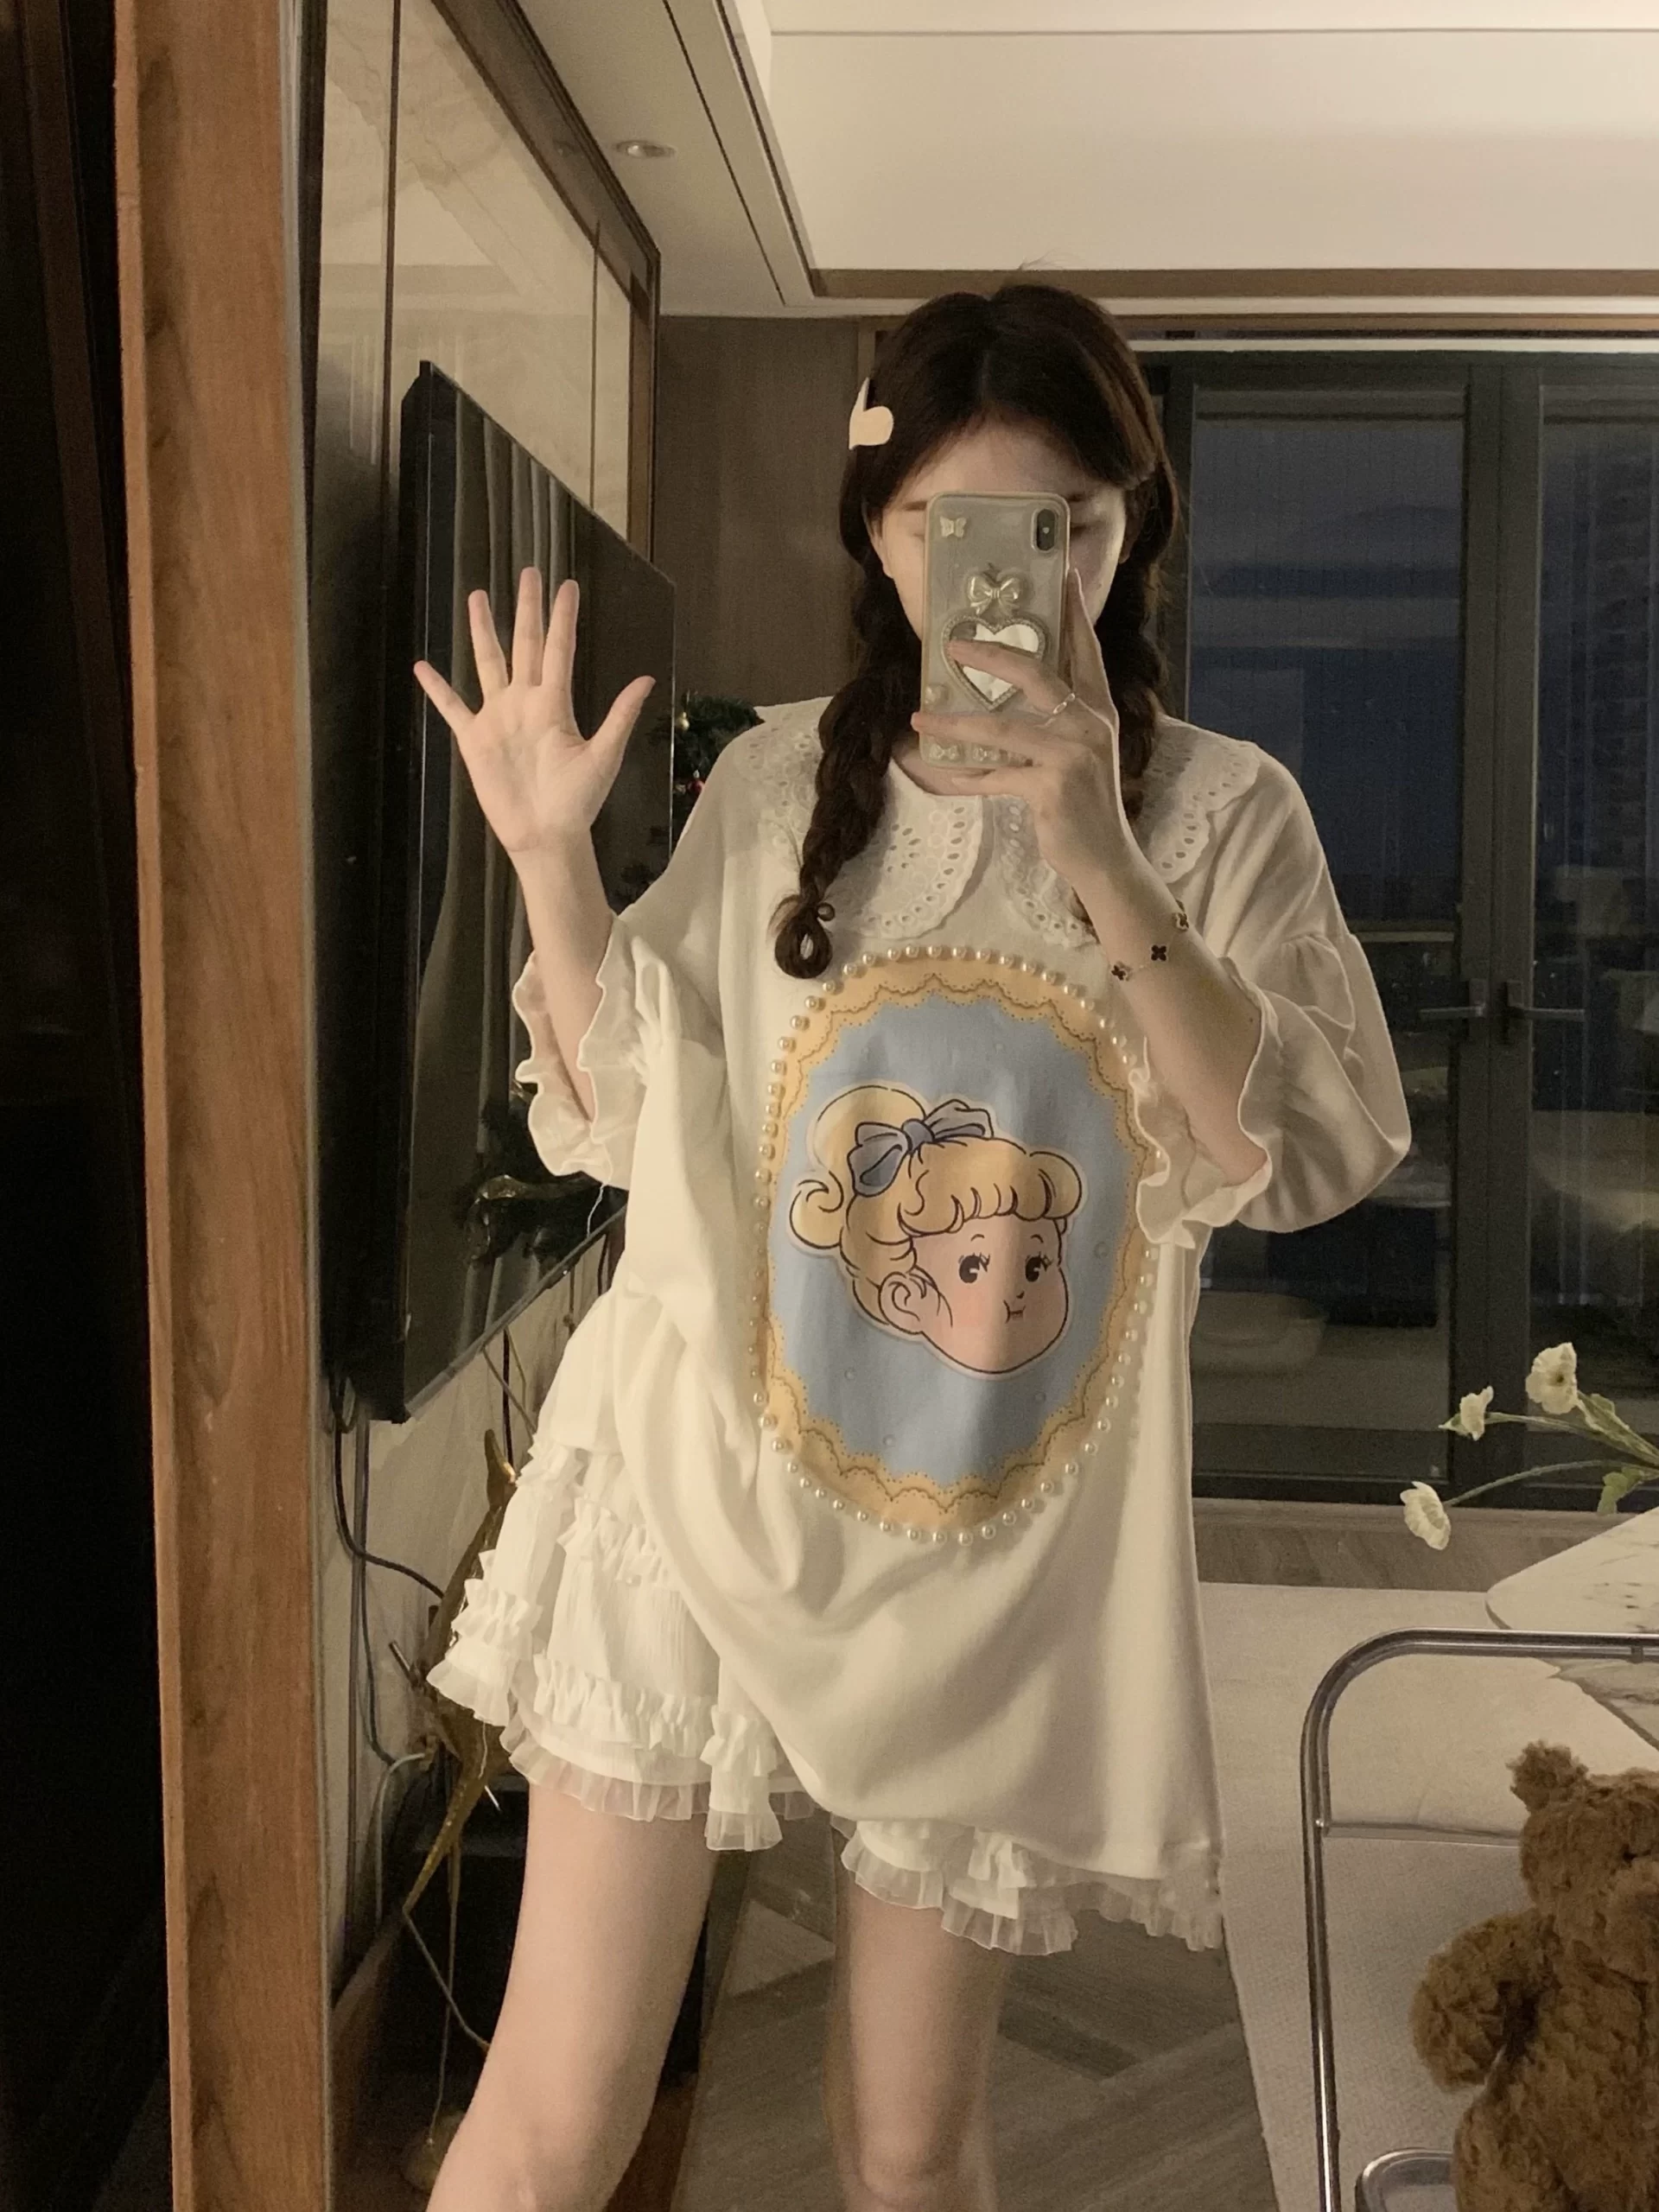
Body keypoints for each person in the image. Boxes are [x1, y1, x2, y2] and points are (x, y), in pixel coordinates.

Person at [416, 282, 1412, 2212]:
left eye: (1069, 524)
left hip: (995, 1546)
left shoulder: (1225, 815)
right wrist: (547, 860)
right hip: (695, 1486)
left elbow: (1293, 1154)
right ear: (878, 538)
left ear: (1130, 526)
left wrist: (1101, 848)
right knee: (548, 2126)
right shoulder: (778, 784)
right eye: (951, 525)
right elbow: (621, 1123)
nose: (1017, 576)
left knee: (908, 2145)